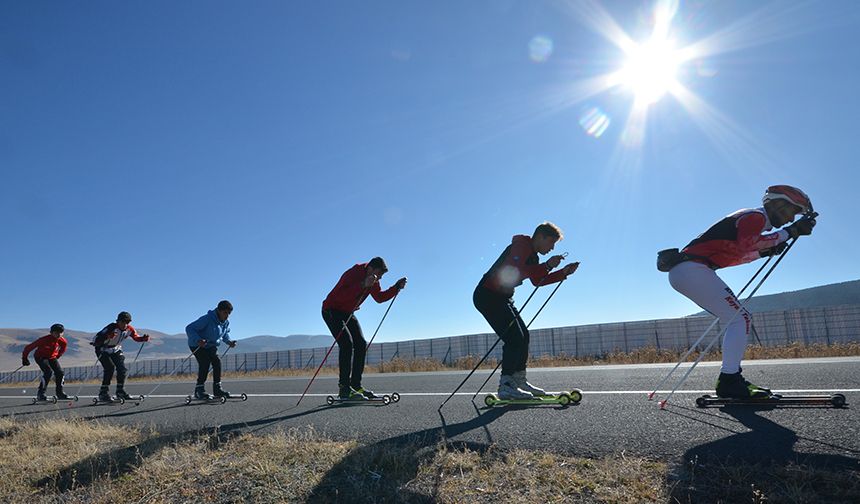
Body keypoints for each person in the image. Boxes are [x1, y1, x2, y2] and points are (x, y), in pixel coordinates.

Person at [665, 185, 816, 398]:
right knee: (740, 319)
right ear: (779, 204)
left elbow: (734, 254)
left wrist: (764, 252)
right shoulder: (755, 217)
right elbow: (747, 245)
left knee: (738, 318)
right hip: (692, 270)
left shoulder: (753, 220)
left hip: (690, 270)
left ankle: (730, 379)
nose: (792, 218)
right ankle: (729, 381)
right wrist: (788, 233)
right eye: (793, 211)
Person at [474, 222, 579, 400]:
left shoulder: (534, 257)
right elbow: (516, 271)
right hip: (488, 295)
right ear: (540, 237)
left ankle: (518, 380)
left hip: (502, 297)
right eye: (551, 243)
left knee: (524, 336)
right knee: (514, 337)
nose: (552, 248)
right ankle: (506, 385)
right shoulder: (521, 245)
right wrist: (547, 266)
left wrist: (563, 273)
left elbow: (537, 281)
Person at [322, 257, 407, 400]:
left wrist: (396, 287)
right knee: (346, 344)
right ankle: (344, 388)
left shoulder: (373, 281)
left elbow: (379, 298)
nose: (379, 278)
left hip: (347, 311)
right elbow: (339, 296)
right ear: (370, 268)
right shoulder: (353, 273)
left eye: (381, 276)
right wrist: (362, 284)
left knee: (361, 343)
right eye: (379, 274)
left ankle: (356, 385)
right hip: (331, 310)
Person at [92, 311, 150, 402]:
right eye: (122, 322)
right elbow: (96, 340)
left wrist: (143, 338)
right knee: (110, 368)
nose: (125, 324)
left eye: (127, 322)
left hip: (116, 349)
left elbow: (136, 337)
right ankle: (103, 393)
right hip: (103, 349)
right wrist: (107, 337)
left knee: (122, 369)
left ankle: (120, 391)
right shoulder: (111, 327)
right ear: (118, 321)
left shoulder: (129, 329)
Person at [185, 300, 237, 400]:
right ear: (219, 310)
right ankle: (199, 390)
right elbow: (189, 328)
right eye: (225, 313)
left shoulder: (225, 323)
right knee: (205, 362)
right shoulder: (207, 319)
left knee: (217, 362)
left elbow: (224, 334)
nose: (227, 316)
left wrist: (229, 342)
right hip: (197, 345)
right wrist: (198, 340)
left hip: (211, 345)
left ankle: (217, 389)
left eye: (229, 313)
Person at [21, 323, 70, 400]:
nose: (59, 334)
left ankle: (60, 393)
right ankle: (41, 394)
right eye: (56, 332)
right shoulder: (43, 340)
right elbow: (28, 348)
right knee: (48, 372)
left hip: (52, 357)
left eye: (61, 332)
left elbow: (63, 349)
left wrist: (58, 356)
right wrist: (24, 359)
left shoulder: (63, 341)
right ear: (51, 332)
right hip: (40, 357)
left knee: (60, 373)